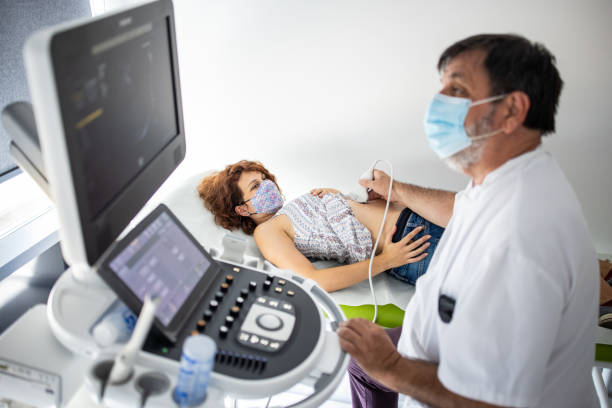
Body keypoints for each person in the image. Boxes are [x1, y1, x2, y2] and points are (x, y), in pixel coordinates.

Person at [337, 34, 599, 407]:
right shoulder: (508, 181)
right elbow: (463, 207)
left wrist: (390, 366)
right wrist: (399, 190)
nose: (437, 105)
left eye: (456, 88)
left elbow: (490, 402)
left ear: (511, 110)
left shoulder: (520, 238)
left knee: (367, 367)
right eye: (441, 88)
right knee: (361, 367)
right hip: (430, 351)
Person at [197, 160, 445, 291]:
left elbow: (338, 221)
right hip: (411, 240)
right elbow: (315, 280)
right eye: (255, 187)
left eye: (264, 179)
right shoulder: (267, 231)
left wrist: (339, 197)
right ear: (241, 208)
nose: (267, 185)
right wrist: (387, 261)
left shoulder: (290, 209)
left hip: (417, 211)